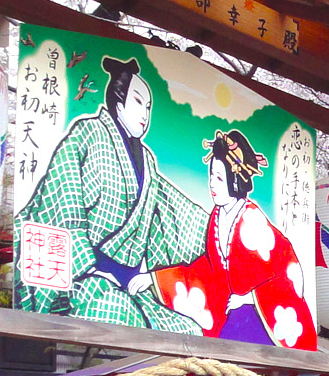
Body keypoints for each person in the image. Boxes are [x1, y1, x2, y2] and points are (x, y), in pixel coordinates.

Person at [15, 55, 207, 334]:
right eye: (138, 103)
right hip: (82, 279)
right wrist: (88, 268)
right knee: (119, 315)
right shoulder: (88, 134)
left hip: (128, 287)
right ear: (118, 103)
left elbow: (176, 213)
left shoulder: (148, 162)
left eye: (149, 107)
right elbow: (62, 200)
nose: (145, 115)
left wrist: (221, 228)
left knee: (189, 331)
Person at [136, 129, 317, 349]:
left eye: (220, 178)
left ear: (235, 180)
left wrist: (250, 297)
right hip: (234, 309)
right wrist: (157, 278)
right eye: (211, 175)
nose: (212, 184)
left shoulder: (253, 221)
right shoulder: (218, 217)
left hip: (263, 316)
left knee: (228, 347)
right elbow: (208, 271)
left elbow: (284, 274)